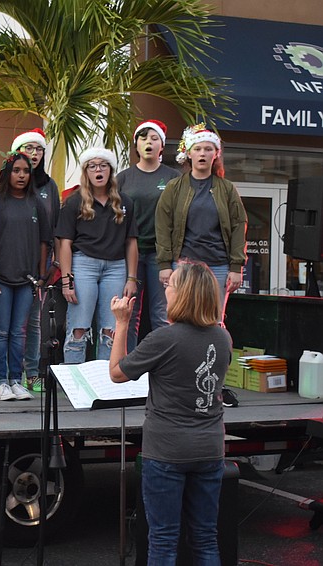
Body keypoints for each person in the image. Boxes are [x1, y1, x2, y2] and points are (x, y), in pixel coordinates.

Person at [109, 260, 232, 565]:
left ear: (185, 293)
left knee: (163, 541)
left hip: (167, 450)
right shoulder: (223, 338)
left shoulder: (164, 338)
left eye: (171, 284)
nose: (166, 288)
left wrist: (122, 324)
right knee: (205, 538)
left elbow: (116, 373)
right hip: (210, 448)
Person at [156, 124, 247, 322]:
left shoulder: (227, 188)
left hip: (218, 265)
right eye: (197, 149)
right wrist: (165, 264)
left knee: (214, 320)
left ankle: (214, 354)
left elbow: (239, 225)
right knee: (179, 318)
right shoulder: (175, 187)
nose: (202, 154)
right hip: (183, 264)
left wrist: (236, 267)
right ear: (189, 154)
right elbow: (163, 226)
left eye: (208, 149)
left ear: (216, 154)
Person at [55, 148, 138, 363]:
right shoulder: (74, 202)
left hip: (117, 267)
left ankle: (106, 383)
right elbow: (65, 243)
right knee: (79, 327)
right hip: (83, 265)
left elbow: (131, 242)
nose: (98, 170)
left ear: (110, 171)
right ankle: (75, 383)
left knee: (111, 329)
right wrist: (67, 281)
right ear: (86, 172)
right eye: (92, 166)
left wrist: (131, 278)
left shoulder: (125, 202)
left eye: (103, 165)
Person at [0, 152, 50, 401]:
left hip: (27, 281)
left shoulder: (36, 203)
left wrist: (41, 276)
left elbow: (44, 242)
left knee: (20, 332)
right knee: (1, 331)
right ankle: (0, 381)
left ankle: (16, 381)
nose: (21, 175)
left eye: (26, 171)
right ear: (6, 173)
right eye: (16, 170)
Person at [116, 120, 180, 352]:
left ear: (162, 146)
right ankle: (126, 367)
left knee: (162, 315)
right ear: (136, 144)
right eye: (144, 138)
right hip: (128, 254)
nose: (149, 143)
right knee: (129, 313)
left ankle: (161, 368)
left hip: (161, 256)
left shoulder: (174, 177)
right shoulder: (123, 178)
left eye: (154, 139)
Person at [10, 128, 60, 392]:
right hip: (11, 261)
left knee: (34, 322)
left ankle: (33, 373)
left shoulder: (49, 186)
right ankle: (8, 373)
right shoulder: (7, 185)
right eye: (29, 148)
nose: (34, 154)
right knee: (9, 323)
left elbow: (55, 226)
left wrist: (53, 263)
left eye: (38, 149)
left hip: (41, 263)